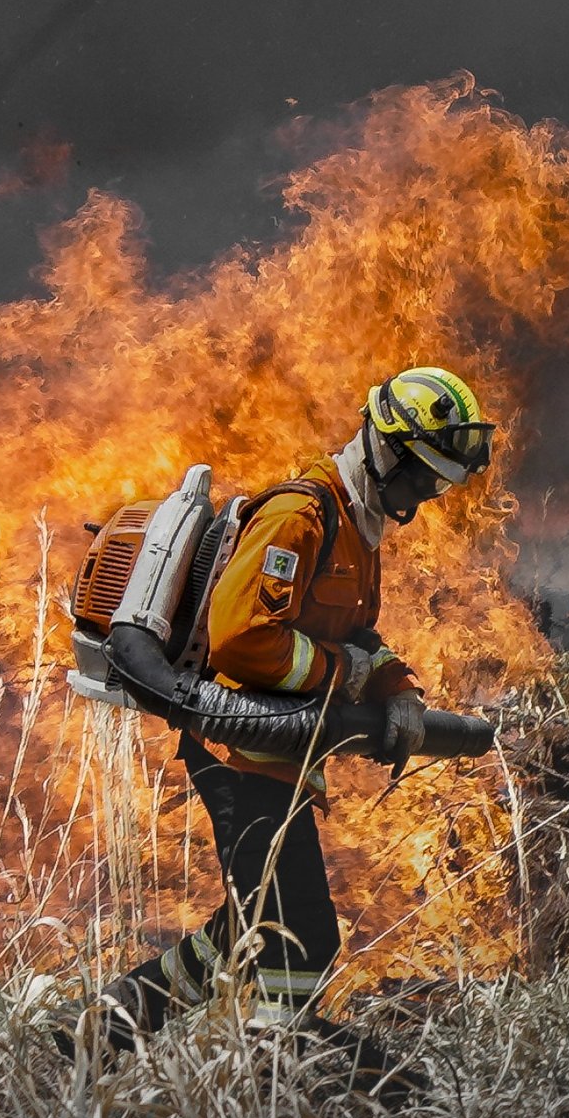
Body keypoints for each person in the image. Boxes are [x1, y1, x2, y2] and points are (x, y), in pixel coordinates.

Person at [69, 366, 494, 1054]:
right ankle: (274, 1068)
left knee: (247, 924)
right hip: (238, 751)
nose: (429, 495)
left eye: (440, 483)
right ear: (386, 449)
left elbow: (348, 637)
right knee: (301, 930)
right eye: (424, 477)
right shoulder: (303, 516)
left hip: (278, 757)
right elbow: (244, 638)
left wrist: (393, 689)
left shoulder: (356, 526)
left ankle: (99, 1032)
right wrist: (342, 674)